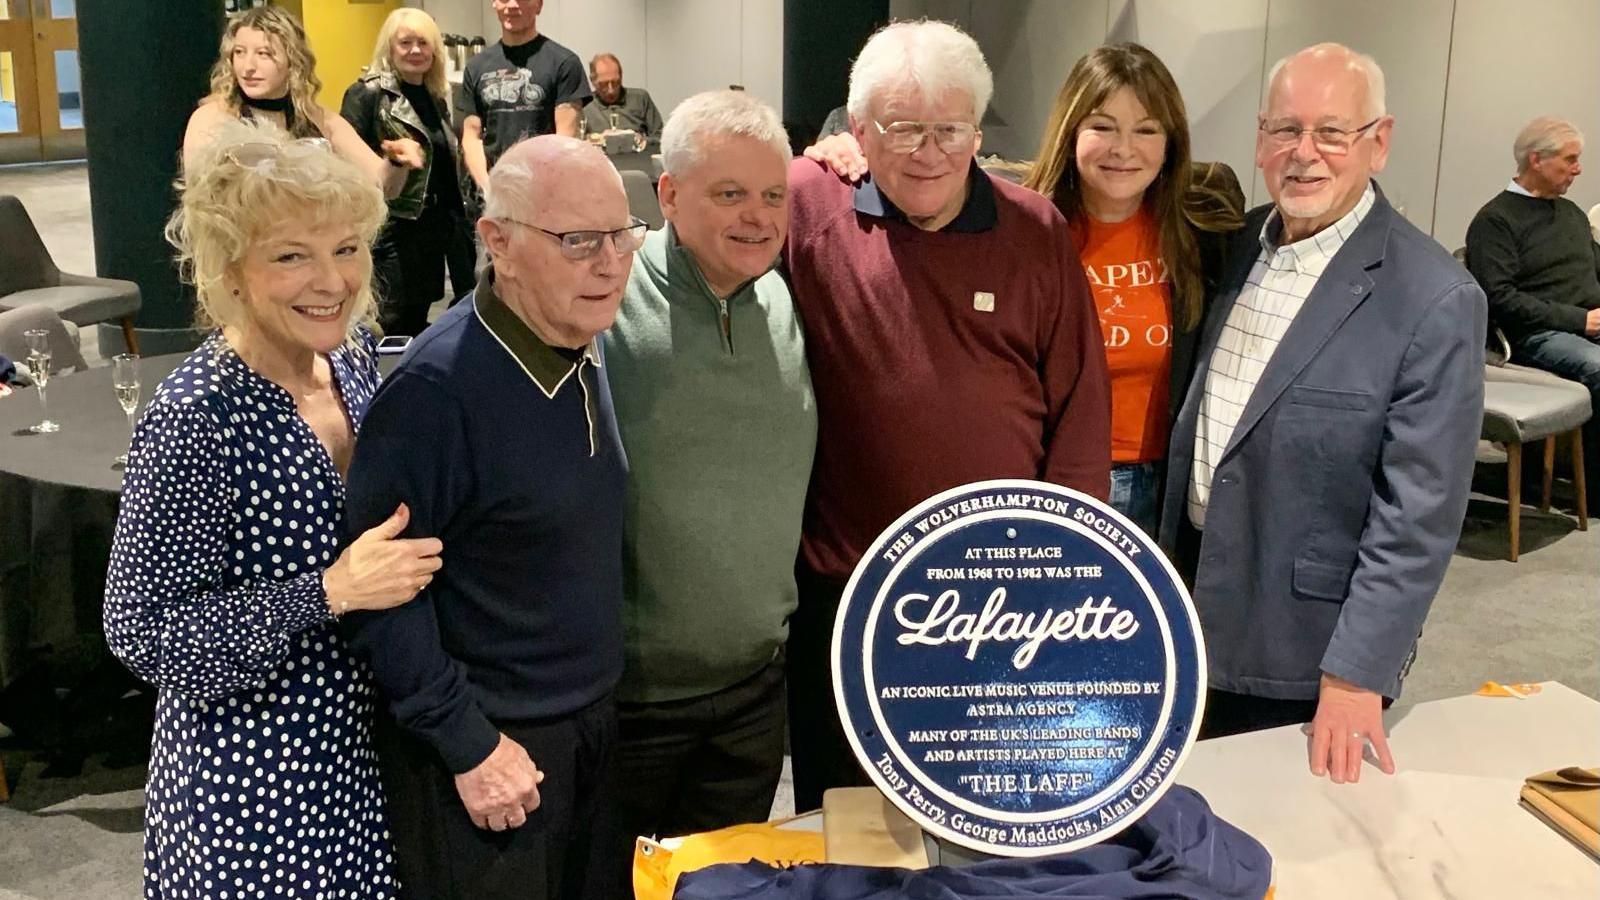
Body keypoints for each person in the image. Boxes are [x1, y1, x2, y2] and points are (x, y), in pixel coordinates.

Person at [103, 119, 445, 898]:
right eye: (292, 255)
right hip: (252, 792)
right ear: (230, 271)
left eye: (346, 249)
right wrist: (326, 592)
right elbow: (142, 633)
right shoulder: (197, 416)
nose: (332, 281)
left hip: (364, 762)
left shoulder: (351, 362)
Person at [782, 20, 1111, 811]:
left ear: (977, 130)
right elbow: (713, 194)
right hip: (848, 592)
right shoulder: (804, 203)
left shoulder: (1035, 229)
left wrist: (1064, 575)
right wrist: (804, 159)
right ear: (857, 130)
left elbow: (1078, 411)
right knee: (845, 818)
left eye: (950, 128)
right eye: (901, 128)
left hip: (1001, 598)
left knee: (988, 806)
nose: (928, 151)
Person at [1158, 43, 1485, 783]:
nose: (1304, 155)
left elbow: (1419, 517)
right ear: (1260, 139)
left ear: (1380, 141)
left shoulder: (1433, 298)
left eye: (1332, 132)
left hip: (1303, 653)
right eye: (1285, 130)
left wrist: (1357, 674)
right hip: (1184, 615)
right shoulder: (1235, 246)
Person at [342, 135, 643, 898]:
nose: (611, 263)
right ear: (498, 244)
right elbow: (384, 597)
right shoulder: (435, 393)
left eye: (622, 235)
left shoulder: (577, 337)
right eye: (578, 241)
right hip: (493, 749)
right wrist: (468, 746)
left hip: (590, 725)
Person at [601, 91, 814, 845]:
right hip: (635, 705)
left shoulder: (782, 297)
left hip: (755, 693)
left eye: (771, 196)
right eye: (729, 194)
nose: (757, 217)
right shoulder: (606, 301)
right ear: (669, 194)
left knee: (723, 887)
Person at [1023, 44, 1244, 535]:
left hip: (1165, 486)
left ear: (1170, 143)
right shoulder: (1027, 230)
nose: (1124, 149)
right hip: (1054, 481)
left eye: (1146, 130)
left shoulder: (1203, 233)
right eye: (1102, 126)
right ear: (1071, 131)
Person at [1464, 116, 1600, 508]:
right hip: (1535, 335)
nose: (1578, 169)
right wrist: (1581, 321)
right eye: (1570, 160)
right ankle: (1588, 486)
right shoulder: (1496, 220)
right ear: (1537, 160)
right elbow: (1500, 298)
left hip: (1585, 325)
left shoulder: (1571, 214)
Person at [182, 6, 421, 195]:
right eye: (239, 53)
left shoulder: (318, 119)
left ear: (292, 60)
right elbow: (200, 203)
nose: (248, 67)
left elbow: (383, 186)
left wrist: (397, 162)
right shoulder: (212, 119)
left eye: (263, 54)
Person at [341, 7, 477, 337]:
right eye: (405, 43)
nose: (415, 51)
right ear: (389, 47)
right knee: (389, 322)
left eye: (423, 43)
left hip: (436, 230)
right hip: (393, 230)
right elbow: (345, 167)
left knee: (419, 317)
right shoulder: (367, 94)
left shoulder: (436, 98)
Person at [459, 0, 591, 215]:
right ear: (494, 4)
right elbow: (471, 136)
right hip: (493, 198)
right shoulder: (476, 67)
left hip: (545, 197)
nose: (511, 5)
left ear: (538, 5)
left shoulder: (564, 62)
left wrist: (541, 189)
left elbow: (566, 139)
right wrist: (486, 185)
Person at [581, 53, 664, 146]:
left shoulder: (640, 98)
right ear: (593, 81)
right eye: (603, 84)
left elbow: (661, 137)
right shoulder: (584, 105)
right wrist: (594, 140)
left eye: (616, 82)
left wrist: (642, 140)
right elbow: (574, 142)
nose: (611, 90)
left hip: (637, 157)